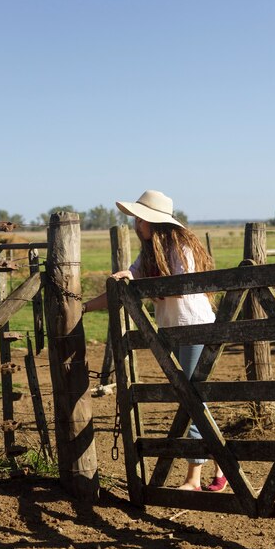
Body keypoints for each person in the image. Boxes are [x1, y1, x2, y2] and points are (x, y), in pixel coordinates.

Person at [83, 190, 227, 493]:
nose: (135, 223)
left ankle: (193, 481)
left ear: (153, 220)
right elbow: (128, 282)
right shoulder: (149, 252)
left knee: (191, 401)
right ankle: (225, 464)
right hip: (172, 331)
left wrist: (141, 284)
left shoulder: (180, 247)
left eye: (139, 218)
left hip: (195, 329)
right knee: (193, 397)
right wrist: (83, 307)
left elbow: (181, 287)